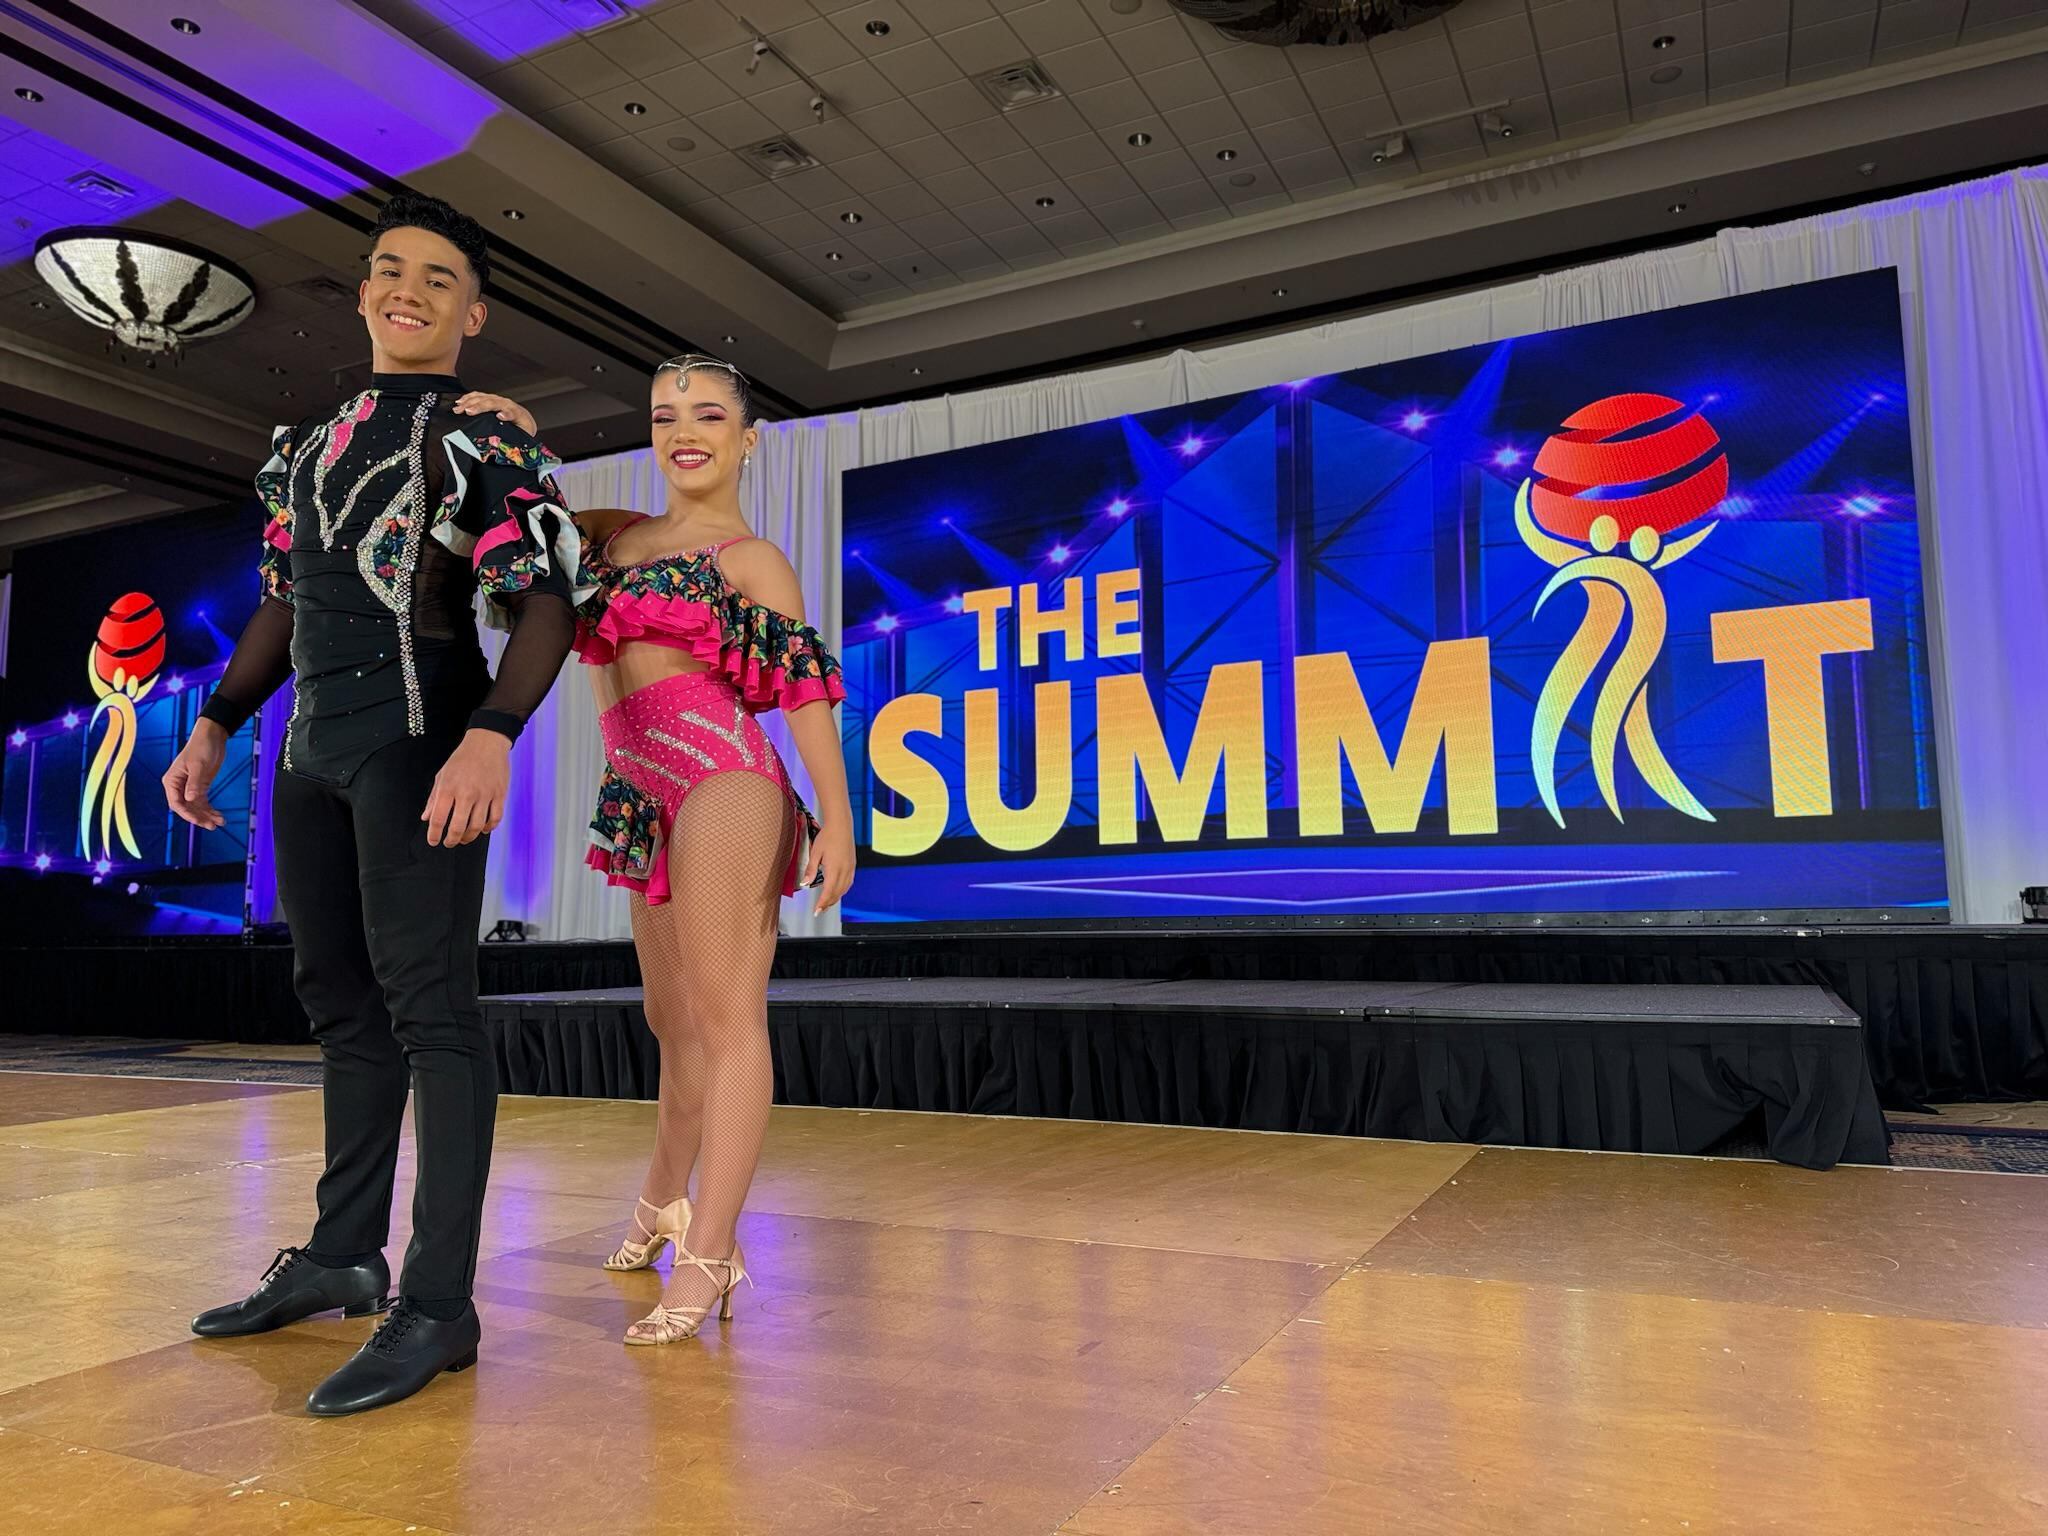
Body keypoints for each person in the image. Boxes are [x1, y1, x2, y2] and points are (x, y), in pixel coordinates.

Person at [161, 193, 585, 1415]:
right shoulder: (299, 448)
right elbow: (282, 601)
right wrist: (215, 721)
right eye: (391, 270)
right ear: (361, 294)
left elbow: (549, 600)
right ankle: (343, 1255)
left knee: (432, 1015)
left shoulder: (482, 439)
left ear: (473, 313)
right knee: (341, 1008)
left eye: (438, 278)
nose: (409, 290)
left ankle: (440, 1306)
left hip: (419, 738)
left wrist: (491, 738)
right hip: (309, 752)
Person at [572, 354, 853, 1344]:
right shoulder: (609, 541)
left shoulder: (750, 558)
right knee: (671, 1020)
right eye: (664, 416)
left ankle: (711, 1253)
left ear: (748, 438)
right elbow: (501, 519)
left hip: (724, 781)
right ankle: (662, 1201)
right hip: (640, 792)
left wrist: (837, 817)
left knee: (728, 1020)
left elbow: (805, 694)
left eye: (707, 415)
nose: (683, 432)